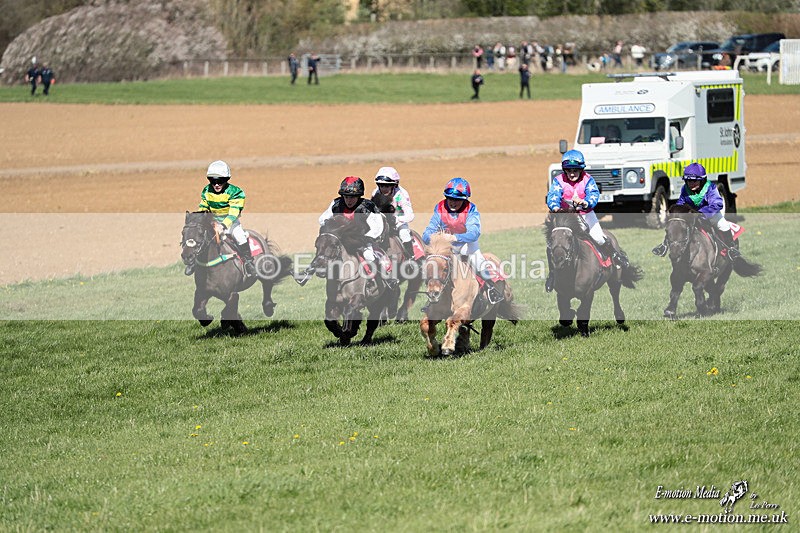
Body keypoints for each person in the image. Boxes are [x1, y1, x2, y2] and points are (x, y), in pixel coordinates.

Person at [545, 150, 629, 292]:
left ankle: (615, 256)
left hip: (586, 215)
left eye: (575, 170)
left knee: (600, 238)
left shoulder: (588, 180)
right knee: (552, 245)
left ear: (581, 169)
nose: (572, 174)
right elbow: (552, 195)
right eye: (568, 170)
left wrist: (585, 203)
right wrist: (556, 208)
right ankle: (552, 274)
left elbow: (594, 195)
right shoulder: (558, 181)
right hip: (565, 218)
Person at [422, 177, 504, 304]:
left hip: (467, 244)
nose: (453, 202)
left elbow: (474, 233)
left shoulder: (471, 209)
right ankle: (431, 298)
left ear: (464, 200)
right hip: (447, 248)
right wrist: (436, 238)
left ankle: (491, 289)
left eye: (457, 200)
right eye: (450, 199)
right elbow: (427, 232)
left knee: (479, 262)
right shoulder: (440, 207)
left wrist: (455, 237)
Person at [319, 176, 397, 289]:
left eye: (352, 197)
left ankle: (385, 278)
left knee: (369, 255)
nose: (348, 200)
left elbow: (377, 226)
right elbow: (322, 219)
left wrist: (367, 237)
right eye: (346, 197)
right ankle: (308, 272)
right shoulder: (336, 204)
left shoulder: (367, 206)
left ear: (359, 196)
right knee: (324, 248)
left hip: (362, 240)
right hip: (342, 240)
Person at [652, 162, 741, 260]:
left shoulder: (710, 188)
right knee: (674, 225)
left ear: (702, 180)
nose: (691, 183)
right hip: (692, 217)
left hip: (710, 215)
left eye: (694, 181)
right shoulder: (685, 189)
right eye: (688, 181)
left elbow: (717, 204)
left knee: (723, 225)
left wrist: (702, 213)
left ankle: (731, 248)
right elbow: (681, 203)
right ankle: (664, 246)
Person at [192, 160, 256, 278]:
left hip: (231, 223)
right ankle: (193, 261)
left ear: (226, 179)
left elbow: (233, 212)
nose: (216, 184)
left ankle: (248, 262)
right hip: (213, 222)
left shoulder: (236, 192)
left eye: (220, 181)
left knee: (240, 236)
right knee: (199, 236)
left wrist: (224, 225)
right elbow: (203, 207)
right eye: (212, 180)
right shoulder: (206, 190)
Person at [371, 166, 417, 260]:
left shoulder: (401, 195)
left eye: (387, 186)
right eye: (381, 185)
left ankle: (411, 259)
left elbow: (410, 215)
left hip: (398, 222)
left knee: (404, 234)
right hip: (381, 223)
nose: (384, 189)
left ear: (394, 185)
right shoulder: (375, 193)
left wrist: (397, 219)